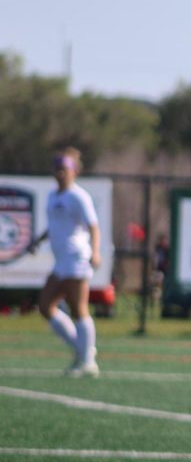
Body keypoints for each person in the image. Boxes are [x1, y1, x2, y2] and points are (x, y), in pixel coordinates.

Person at [24, 148, 102, 377]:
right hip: (60, 262)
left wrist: (95, 252)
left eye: (64, 169)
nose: (60, 173)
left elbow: (93, 226)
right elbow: (55, 226)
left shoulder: (79, 196)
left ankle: (87, 360)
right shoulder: (53, 196)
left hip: (76, 259)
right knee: (46, 306)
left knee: (79, 310)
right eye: (57, 169)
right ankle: (81, 351)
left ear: (74, 171)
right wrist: (37, 241)